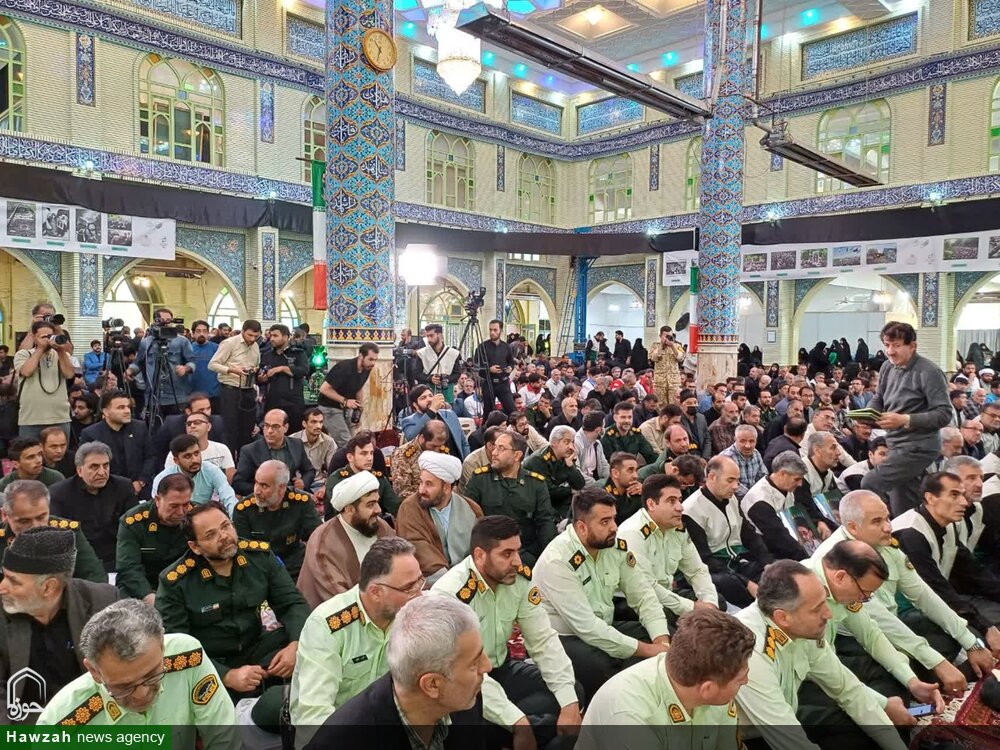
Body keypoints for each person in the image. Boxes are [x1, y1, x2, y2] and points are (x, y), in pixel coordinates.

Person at [156, 501, 310, 730]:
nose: (224, 536)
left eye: (226, 526)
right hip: (211, 663)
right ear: (195, 547)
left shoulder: (259, 556)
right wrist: (227, 676)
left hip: (259, 651)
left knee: (311, 661)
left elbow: (292, 604)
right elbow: (175, 648)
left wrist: (295, 646)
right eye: (211, 535)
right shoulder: (175, 582)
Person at [433, 516, 582, 745]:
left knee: (571, 693)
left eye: (517, 551)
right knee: (472, 725)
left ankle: (527, 729)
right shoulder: (450, 596)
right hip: (465, 682)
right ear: (480, 555)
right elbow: (462, 672)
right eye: (507, 554)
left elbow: (542, 640)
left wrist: (569, 704)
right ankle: (526, 728)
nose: (517, 562)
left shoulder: (518, 580)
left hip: (502, 668)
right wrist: (516, 720)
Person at [735, 560, 912, 750]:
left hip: (785, 716)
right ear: (782, 617)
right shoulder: (750, 652)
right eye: (817, 608)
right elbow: (790, 741)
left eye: (825, 601)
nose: (828, 614)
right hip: (748, 739)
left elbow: (849, 691)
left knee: (860, 727)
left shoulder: (800, 626)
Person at [820, 490, 998, 677]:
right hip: (856, 639)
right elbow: (881, 623)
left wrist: (971, 643)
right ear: (853, 527)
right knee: (904, 668)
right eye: (877, 522)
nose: (888, 527)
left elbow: (923, 595)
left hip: (893, 620)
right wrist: (937, 662)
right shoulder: (837, 559)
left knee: (967, 634)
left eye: (887, 518)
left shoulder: (885, 544)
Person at [37, 599, 238, 747]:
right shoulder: (60, 724)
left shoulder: (187, 658)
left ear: (162, 643)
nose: (142, 694)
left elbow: (224, 738)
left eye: (152, 675)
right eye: (123, 687)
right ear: (94, 671)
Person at [534, 486, 669, 701]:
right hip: (565, 637)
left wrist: (661, 641)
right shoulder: (558, 561)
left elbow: (643, 595)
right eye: (605, 522)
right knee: (605, 668)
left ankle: (651, 697)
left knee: (662, 634)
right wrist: (649, 650)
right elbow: (587, 627)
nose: (614, 527)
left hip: (604, 624)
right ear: (582, 527)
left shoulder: (613, 546)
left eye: (614, 518)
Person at [303, 594, 489, 750]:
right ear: (432, 684)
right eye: (474, 663)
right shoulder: (343, 741)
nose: (487, 666)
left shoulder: (464, 700)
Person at [291, 538, 423, 748]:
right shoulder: (327, 626)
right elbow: (314, 717)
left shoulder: (412, 614)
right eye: (409, 588)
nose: (419, 594)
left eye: (420, 581)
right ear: (376, 592)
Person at [799, 541, 947, 723]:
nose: (865, 599)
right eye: (864, 592)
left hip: (829, 662)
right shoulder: (803, 592)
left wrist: (912, 681)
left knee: (892, 679)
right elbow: (826, 673)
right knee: (859, 722)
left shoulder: (840, 585)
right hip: (803, 681)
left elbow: (870, 635)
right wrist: (882, 705)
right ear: (840, 577)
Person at [578, 608, 754, 750]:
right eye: (740, 679)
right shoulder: (630, 720)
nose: (745, 681)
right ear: (707, 689)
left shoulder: (715, 692)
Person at [0, 525, 117, 724]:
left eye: (14, 581)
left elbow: (123, 675)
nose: (2, 587)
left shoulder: (102, 603)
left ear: (48, 587)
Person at [893, 472, 1000, 644]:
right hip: (905, 610)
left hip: (938, 598)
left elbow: (973, 571)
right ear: (931, 498)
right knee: (976, 636)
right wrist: (985, 626)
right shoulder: (910, 534)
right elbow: (934, 589)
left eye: (962, 495)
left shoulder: (947, 524)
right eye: (954, 495)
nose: (964, 502)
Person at [860, 322, 952, 516]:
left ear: (913, 346)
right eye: (887, 345)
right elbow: (879, 398)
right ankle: (907, 532)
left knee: (870, 482)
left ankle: (875, 527)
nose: (890, 352)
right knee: (904, 504)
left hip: (919, 447)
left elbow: (944, 414)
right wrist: (869, 414)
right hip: (896, 444)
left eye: (896, 345)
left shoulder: (929, 372)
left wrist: (905, 420)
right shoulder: (887, 367)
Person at [618, 474, 720, 619]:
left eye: (679, 500)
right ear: (651, 504)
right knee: (675, 618)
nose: (680, 507)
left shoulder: (675, 528)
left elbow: (696, 570)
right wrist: (693, 607)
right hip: (635, 600)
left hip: (666, 593)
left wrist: (710, 603)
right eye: (671, 501)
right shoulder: (633, 533)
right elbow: (647, 587)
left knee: (718, 603)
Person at [683, 455, 774, 608]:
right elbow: (704, 559)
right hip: (714, 570)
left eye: (737, 481)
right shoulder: (691, 510)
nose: (736, 486)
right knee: (730, 583)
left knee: (776, 569)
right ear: (712, 477)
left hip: (736, 562)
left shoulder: (732, 499)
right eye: (730, 480)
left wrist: (767, 563)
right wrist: (745, 582)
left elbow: (749, 535)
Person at [299, 471, 396, 608]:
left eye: (377, 502)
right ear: (349, 509)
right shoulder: (323, 542)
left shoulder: (379, 526)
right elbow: (341, 600)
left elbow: (401, 560)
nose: (378, 509)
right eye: (370, 504)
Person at [464, 431, 555, 566]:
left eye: (501, 448)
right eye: (495, 447)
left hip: (525, 553)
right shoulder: (480, 479)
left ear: (517, 455)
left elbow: (545, 523)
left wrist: (548, 558)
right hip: (490, 554)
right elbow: (466, 519)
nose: (494, 452)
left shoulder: (535, 483)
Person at [395, 452, 483, 584]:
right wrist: (451, 582)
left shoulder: (471, 509)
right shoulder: (410, 508)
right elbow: (417, 547)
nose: (421, 490)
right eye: (421, 482)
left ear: (447, 488)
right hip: (428, 582)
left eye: (429, 484)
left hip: (470, 578)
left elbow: (481, 547)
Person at [49, 442, 134, 572]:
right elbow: (59, 538)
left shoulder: (123, 486)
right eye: (94, 467)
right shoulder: (59, 493)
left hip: (117, 557)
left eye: (106, 465)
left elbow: (133, 529)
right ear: (79, 470)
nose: (102, 472)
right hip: (79, 561)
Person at [0, 480, 105, 583]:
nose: (35, 526)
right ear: (4, 515)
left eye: (41, 517)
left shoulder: (67, 532)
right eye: (24, 521)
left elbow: (95, 577)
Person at [233, 459, 321, 580]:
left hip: (294, 563)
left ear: (281, 488)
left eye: (264, 485)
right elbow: (245, 553)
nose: (257, 491)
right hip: (261, 568)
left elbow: (318, 537)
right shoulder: (244, 510)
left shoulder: (301, 502)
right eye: (256, 483)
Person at [115, 474, 194, 604]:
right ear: (158, 500)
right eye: (174, 506)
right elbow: (128, 567)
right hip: (144, 586)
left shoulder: (196, 516)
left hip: (184, 584)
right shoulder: (133, 522)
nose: (181, 512)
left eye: (186, 504)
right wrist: (148, 596)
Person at [80, 390, 155, 497]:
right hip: (106, 491)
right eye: (121, 407)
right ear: (106, 412)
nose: (127, 411)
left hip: (139, 489)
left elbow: (150, 457)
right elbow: (87, 465)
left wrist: (140, 482)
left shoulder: (140, 427)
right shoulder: (91, 434)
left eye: (128, 407)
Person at [740, 450, 812, 560]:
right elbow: (779, 539)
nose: (800, 484)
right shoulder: (759, 500)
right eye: (797, 479)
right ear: (783, 474)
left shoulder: (786, 488)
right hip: (765, 552)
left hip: (785, 542)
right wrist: (809, 559)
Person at [127, 308, 195, 417]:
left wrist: (185, 368)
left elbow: (192, 361)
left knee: (176, 426)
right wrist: (130, 370)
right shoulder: (146, 342)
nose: (165, 324)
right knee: (154, 426)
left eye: (168, 321)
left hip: (177, 396)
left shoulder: (182, 341)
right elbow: (139, 362)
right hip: (153, 397)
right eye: (161, 320)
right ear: (155, 322)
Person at [207, 319, 262, 454]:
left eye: (256, 336)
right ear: (242, 331)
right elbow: (212, 365)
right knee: (230, 429)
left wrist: (255, 370)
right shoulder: (229, 343)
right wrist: (232, 370)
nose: (252, 339)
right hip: (230, 390)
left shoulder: (255, 346)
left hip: (248, 390)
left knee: (247, 429)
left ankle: (245, 460)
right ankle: (230, 460)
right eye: (250, 335)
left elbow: (256, 364)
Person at [14, 320, 75, 440]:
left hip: (60, 418)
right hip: (31, 419)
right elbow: (26, 371)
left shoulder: (62, 355)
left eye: (50, 336)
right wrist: (40, 349)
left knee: (59, 451)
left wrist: (61, 352)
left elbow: (69, 375)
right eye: (43, 337)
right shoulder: (23, 354)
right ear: (34, 338)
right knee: (30, 450)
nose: (48, 339)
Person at [234, 408, 315, 496]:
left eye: (275, 426)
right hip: (263, 499)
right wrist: (264, 489)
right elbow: (238, 484)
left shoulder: (296, 444)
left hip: (291, 495)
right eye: (266, 426)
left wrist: (303, 482)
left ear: (286, 427)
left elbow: (309, 470)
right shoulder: (250, 450)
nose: (269, 431)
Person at [152, 434, 236, 513]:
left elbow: (229, 497)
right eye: (187, 456)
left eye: (196, 453)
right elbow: (157, 507)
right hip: (175, 517)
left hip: (202, 517)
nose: (195, 460)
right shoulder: (163, 478)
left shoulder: (212, 470)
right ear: (176, 460)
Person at [318, 342, 380, 448]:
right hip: (330, 408)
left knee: (354, 441)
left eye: (375, 360)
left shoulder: (366, 368)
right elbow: (324, 389)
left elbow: (359, 388)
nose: (373, 363)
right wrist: (345, 401)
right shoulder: (344, 368)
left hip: (346, 409)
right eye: (370, 359)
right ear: (361, 356)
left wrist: (359, 411)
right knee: (345, 442)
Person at [325, 431, 399, 519]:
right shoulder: (338, 479)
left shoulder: (378, 478)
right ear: (350, 457)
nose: (370, 458)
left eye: (371, 453)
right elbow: (339, 513)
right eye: (364, 453)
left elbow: (396, 507)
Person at [150, 393, 227, 470]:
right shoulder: (172, 425)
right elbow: (160, 453)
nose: (207, 413)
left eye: (208, 408)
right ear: (188, 411)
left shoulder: (217, 422)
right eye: (201, 410)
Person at [522, 425, 585, 519]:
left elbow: (579, 484)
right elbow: (548, 491)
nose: (571, 447)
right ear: (555, 443)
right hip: (539, 504)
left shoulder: (566, 456)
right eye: (567, 442)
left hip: (559, 499)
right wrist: (570, 490)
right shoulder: (538, 460)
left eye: (572, 442)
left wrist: (570, 465)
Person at [258, 323, 310, 432]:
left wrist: (282, 368)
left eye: (275, 336)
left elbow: (303, 371)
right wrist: (262, 378)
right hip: (273, 401)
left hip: (293, 402)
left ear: (286, 337)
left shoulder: (298, 353)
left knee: (294, 433)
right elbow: (261, 377)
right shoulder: (267, 355)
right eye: (271, 335)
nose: (272, 339)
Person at [400, 384, 470, 460]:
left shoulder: (450, 414)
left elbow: (463, 443)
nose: (429, 399)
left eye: (430, 396)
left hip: (455, 462)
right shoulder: (408, 421)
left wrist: (465, 463)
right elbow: (411, 437)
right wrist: (432, 410)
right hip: (429, 464)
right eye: (423, 398)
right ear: (415, 405)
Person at [164, 407, 234, 481]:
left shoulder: (222, 449)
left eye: (197, 422)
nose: (192, 426)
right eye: (188, 424)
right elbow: (170, 481)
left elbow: (230, 478)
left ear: (208, 426)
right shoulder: (175, 453)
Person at [392, 420, 449, 499]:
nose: (437, 451)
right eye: (433, 446)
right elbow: (402, 492)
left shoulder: (442, 451)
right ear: (422, 438)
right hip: (417, 502)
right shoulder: (403, 455)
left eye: (440, 446)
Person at [291, 407, 337, 499]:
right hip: (297, 484)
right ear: (304, 424)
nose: (318, 426)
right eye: (314, 422)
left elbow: (333, 470)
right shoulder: (292, 440)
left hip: (319, 483)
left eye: (321, 422)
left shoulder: (329, 442)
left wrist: (325, 487)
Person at [475, 319, 516, 415]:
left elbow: (511, 362)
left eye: (495, 330)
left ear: (501, 330)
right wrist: (489, 369)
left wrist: (510, 368)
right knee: (488, 412)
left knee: (511, 410)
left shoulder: (506, 347)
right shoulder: (482, 347)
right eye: (490, 330)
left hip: (503, 383)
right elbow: (476, 367)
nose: (492, 332)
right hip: (488, 383)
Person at [413, 323, 463, 400]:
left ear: (439, 335)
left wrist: (446, 379)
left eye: (431, 336)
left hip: (447, 391)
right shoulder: (422, 353)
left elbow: (457, 373)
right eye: (427, 336)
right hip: (428, 392)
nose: (429, 339)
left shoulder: (453, 353)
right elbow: (416, 374)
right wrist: (430, 378)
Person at [720, 424, 767, 498]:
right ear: (735, 439)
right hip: (733, 498)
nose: (747, 445)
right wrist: (752, 495)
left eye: (752, 441)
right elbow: (730, 484)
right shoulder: (727, 457)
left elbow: (763, 476)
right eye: (742, 441)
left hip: (755, 496)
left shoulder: (756, 453)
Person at [188, 320, 221, 411]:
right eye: (198, 331)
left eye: (204, 331)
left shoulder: (217, 348)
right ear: (193, 334)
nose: (201, 334)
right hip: (193, 394)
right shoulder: (188, 349)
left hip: (214, 393)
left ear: (208, 333)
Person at [648, 326, 684, 407]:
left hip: (674, 381)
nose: (668, 338)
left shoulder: (677, 346)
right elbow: (653, 358)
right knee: (660, 405)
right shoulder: (655, 346)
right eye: (666, 336)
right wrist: (661, 345)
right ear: (660, 336)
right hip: (660, 381)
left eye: (670, 335)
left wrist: (672, 346)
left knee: (674, 403)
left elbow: (680, 358)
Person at [576, 411, 611, 485]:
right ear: (598, 430)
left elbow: (604, 466)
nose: (604, 429)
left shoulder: (597, 444)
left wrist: (612, 479)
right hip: (580, 486)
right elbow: (577, 474)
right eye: (603, 426)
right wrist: (597, 485)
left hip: (594, 484)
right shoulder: (576, 444)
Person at [678, 389, 711, 458]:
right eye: (689, 403)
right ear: (681, 405)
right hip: (686, 456)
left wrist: (705, 458)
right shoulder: (678, 420)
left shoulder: (701, 418)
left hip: (702, 455)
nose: (693, 405)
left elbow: (707, 439)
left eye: (695, 402)